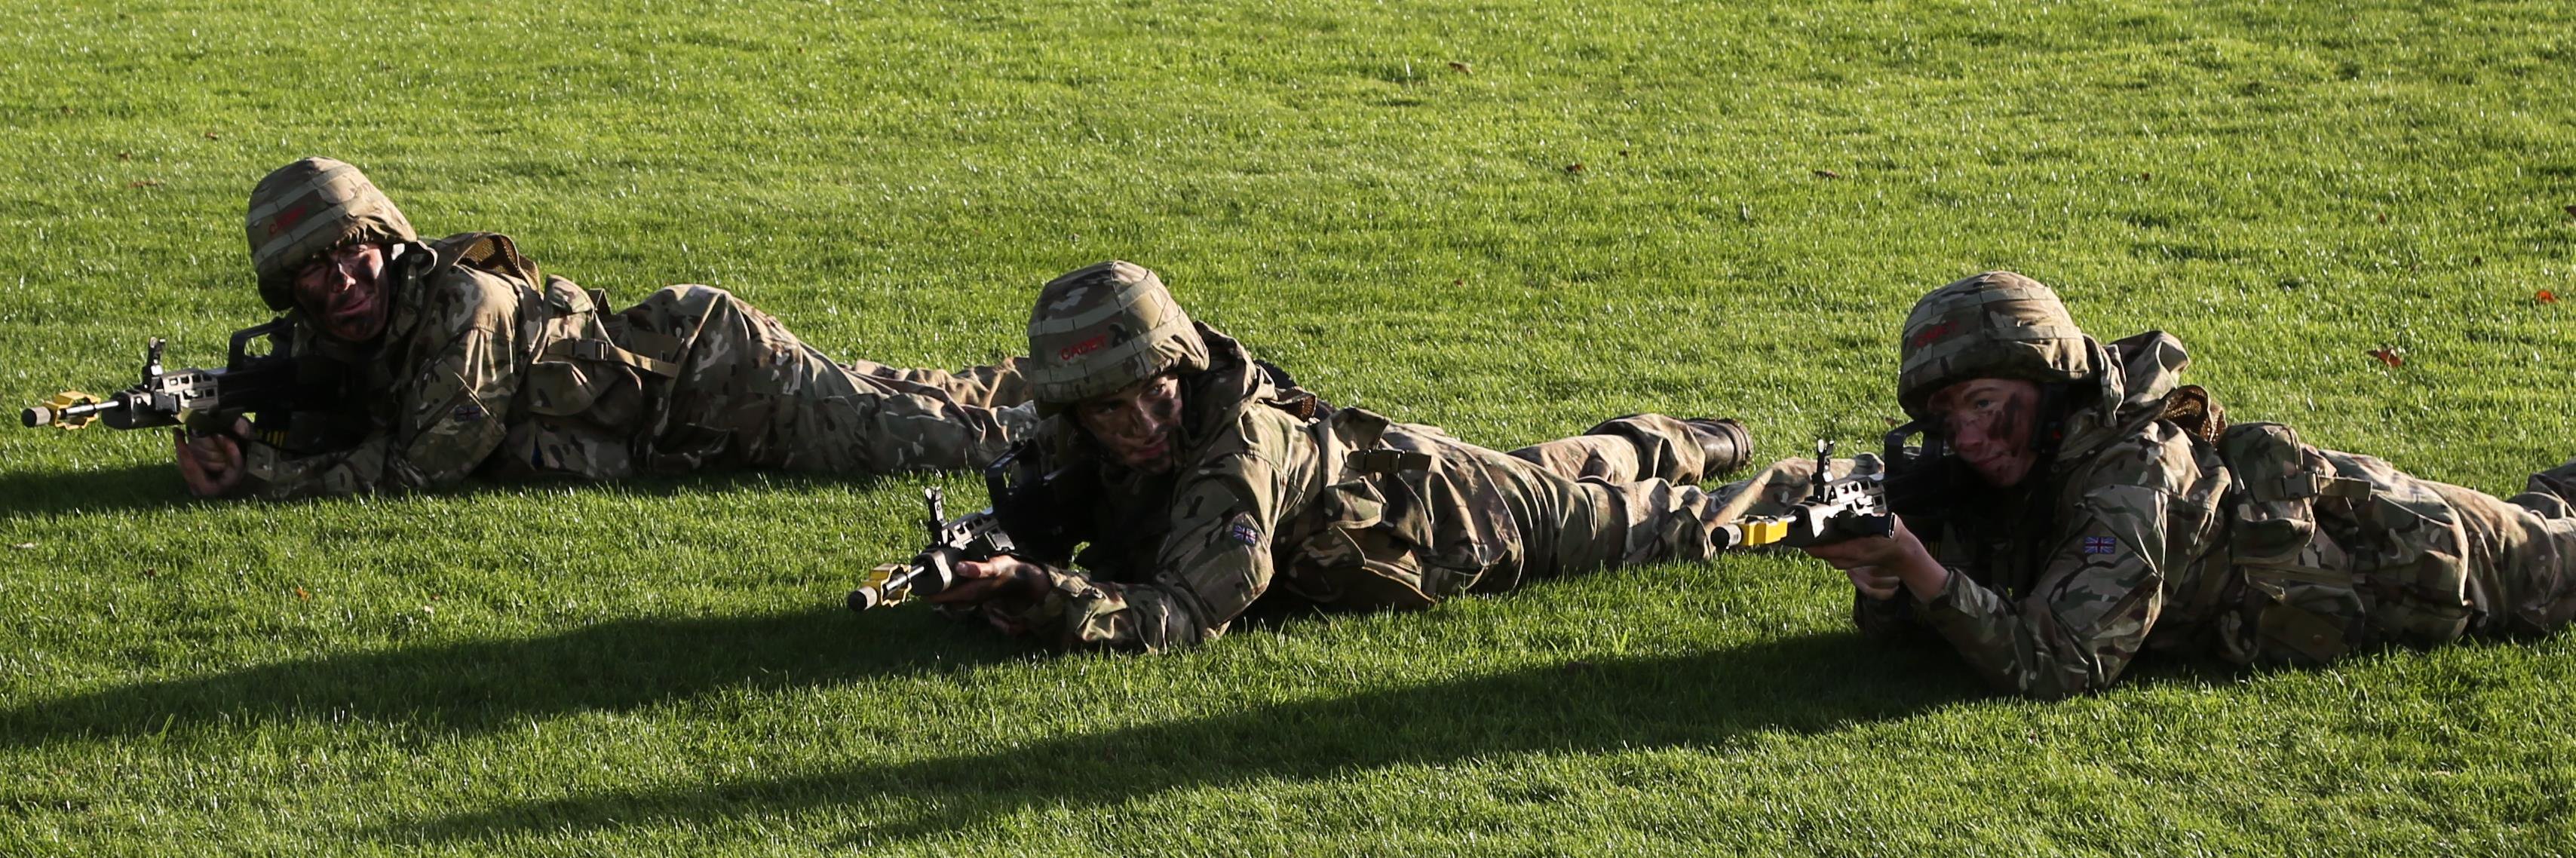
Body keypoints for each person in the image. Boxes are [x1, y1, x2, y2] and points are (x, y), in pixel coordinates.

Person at [1782, 271, 2576, 697]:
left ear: (2051, 385)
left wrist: (1919, 567)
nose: (1969, 437)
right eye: (1948, 416)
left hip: (2437, 563)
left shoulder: (2132, 476)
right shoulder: (2012, 474)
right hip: (2365, 535)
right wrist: (1884, 582)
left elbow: (2057, 662)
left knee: (2555, 542)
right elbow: (1927, 636)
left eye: (1986, 405)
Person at [919, 260, 1757, 650]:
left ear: (1184, 363)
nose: (1140, 421)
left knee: (1672, 526)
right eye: (1111, 407)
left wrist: (1043, 594)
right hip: (1397, 467)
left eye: (1158, 392)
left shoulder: (1235, 456)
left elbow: (1179, 613)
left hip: (1457, 524)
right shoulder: (1069, 440)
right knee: (1566, 464)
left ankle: (1840, 484)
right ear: (1076, 407)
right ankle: (1673, 437)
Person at [176, 157, 1036, 500]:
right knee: (923, 395)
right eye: (312, 275)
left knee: (939, 441)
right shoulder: (352, 339)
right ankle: (1059, 379)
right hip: (685, 386)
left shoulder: (466, 305)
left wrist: (267, 477)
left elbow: (421, 465)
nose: (340, 284)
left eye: (352, 256)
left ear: (387, 242)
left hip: (721, 382)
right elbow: (351, 408)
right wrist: (250, 424)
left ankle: (1080, 404)